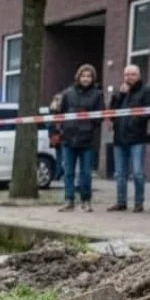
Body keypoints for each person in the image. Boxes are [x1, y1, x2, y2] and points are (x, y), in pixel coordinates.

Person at [56, 64, 104, 213]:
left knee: (85, 173)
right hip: (69, 139)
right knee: (68, 172)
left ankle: (86, 200)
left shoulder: (97, 94)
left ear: (92, 78)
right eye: (83, 76)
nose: (86, 79)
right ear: (78, 77)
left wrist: (89, 126)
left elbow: (100, 115)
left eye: (89, 76)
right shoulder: (68, 93)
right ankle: (69, 200)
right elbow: (61, 111)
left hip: (87, 140)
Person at [106, 65, 150, 212]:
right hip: (119, 138)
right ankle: (121, 202)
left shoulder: (146, 90)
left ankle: (139, 203)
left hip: (137, 137)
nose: (129, 77)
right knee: (120, 173)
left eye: (133, 74)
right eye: (127, 74)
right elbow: (112, 113)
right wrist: (119, 96)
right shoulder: (119, 92)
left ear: (139, 76)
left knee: (137, 172)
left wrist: (137, 119)